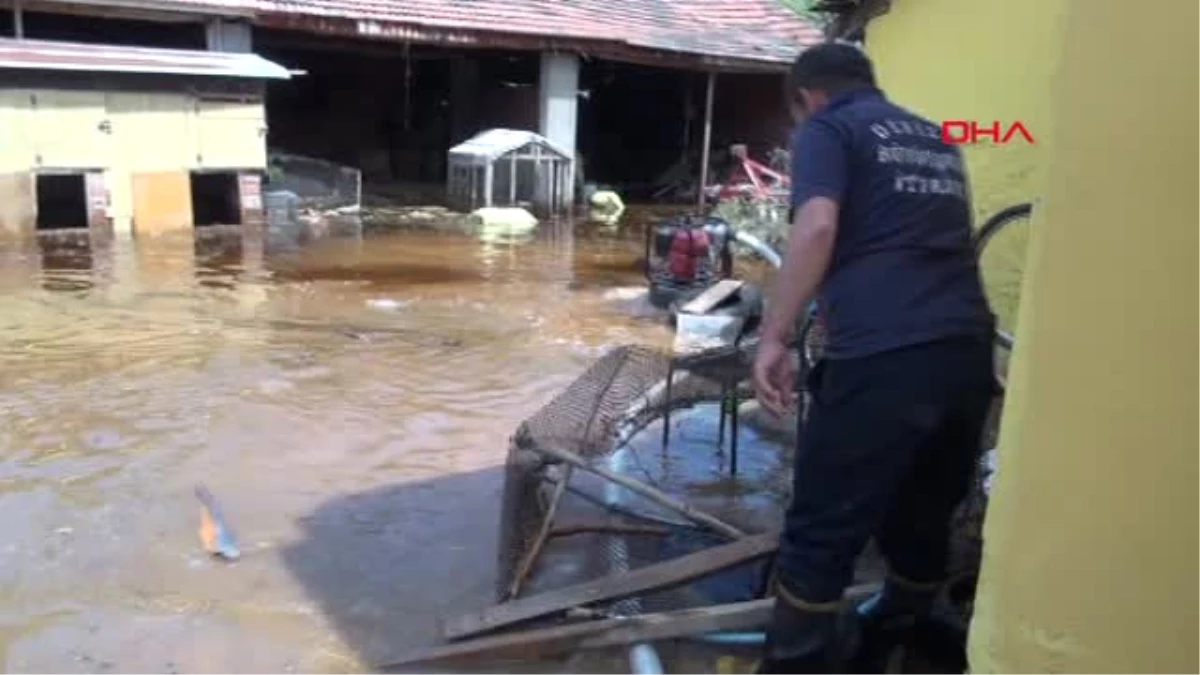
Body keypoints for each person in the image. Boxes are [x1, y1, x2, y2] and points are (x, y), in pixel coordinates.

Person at [751, 42, 997, 674]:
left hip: (886, 357)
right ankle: (900, 638)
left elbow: (818, 229)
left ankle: (797, 661)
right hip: (967, 352)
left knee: (822, 526)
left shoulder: (829, 128)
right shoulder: (935, 137)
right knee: (922, 512)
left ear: (808, 98)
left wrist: (774, 335)